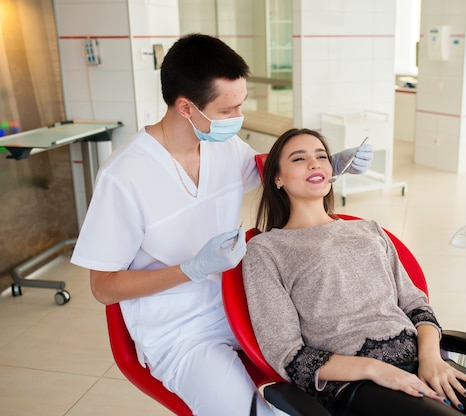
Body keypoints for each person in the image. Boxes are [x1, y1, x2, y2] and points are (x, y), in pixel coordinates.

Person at [70, 34, 372, 416]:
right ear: (186, 108)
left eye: (240, 105)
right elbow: (103, 288)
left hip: (244, 303)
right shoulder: (124, 176)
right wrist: (191, 269)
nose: (238, 119)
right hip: (181, 331)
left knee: (327, 383)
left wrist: (330, 166)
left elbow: (271, 172)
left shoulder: (222, 145)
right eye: (228, 110)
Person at [242, 128, 466, 415]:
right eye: (298, 158)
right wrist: (377, 371)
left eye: (321, 156)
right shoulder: (266, 249)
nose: (314, 163)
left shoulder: (368, 229)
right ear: (278, 178)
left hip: (423, 362)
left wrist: (432, 358)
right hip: (357, 385)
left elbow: (415, 305)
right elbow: (288, 354)